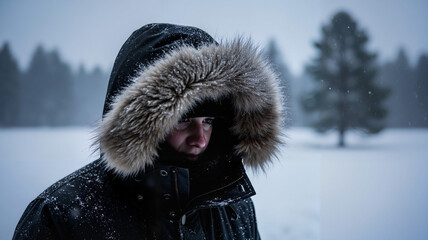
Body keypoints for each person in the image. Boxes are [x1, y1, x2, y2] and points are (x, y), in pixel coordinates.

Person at [13, 23, 283, 239]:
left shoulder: (233, 205)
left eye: (209, 121)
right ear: (142, 124)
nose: (200, 138)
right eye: (183, 121)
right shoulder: (60, 214)